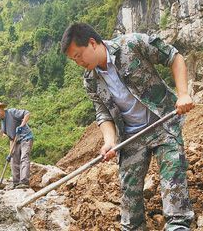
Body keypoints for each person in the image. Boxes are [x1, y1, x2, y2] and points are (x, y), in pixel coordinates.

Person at [60, 23, 195, 230]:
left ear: (92, 43)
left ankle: (177, 225)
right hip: (132, 135)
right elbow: (103, 113)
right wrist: (109, 142)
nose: (78, 62)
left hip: (163, 122)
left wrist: (183, 93)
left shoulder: (132, 44)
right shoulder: (90, 80)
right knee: (130, 208)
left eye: (78, 55)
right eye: (73, 59)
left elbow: (174, 56)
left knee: (173, 178)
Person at [0, 98, 33, 189]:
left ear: (1, 108)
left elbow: (27, 113)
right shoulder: (2, 122)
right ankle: (16, 182)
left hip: (25, 138)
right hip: (15, 141)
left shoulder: (12, 112)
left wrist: (22, 125)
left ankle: (24, 182)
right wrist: (10, 152)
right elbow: (11, 138)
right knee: (13, 160)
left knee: (24, 158)